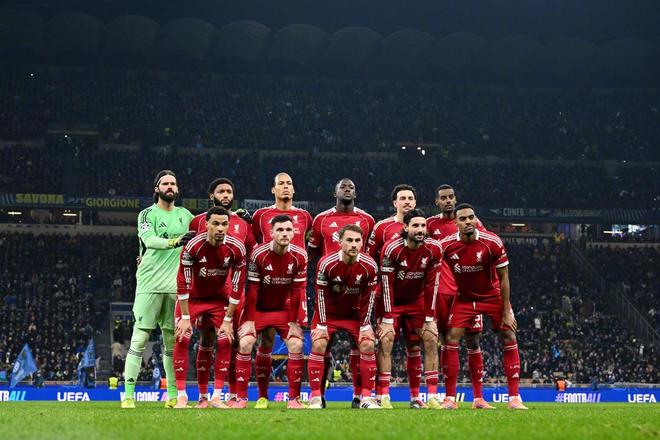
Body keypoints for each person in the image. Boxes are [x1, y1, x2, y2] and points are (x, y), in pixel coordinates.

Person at [438, 204, 527, 410]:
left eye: (471, 217)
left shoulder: (492, 242)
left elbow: (504, 278)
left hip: (492, 296)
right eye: (463, 219)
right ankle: (450, 399)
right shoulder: (446, 245)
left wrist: (507, 311)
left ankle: (514, 398)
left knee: (509, 334)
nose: (468, 221)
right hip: (464, 298)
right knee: (452, 339)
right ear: (456, 223)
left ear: (476, 219)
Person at [121, 170, 195, 409]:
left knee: (172, 344)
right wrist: (176, 241)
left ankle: (172, 396)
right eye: (165, 183)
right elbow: (149, 240)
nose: (170, 186)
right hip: (149, 285)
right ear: (157, 189)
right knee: (139, 339)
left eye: (173, 183)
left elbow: (208, 226)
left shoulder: (185, 215)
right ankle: (128, 396)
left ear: (178, 189)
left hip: (176, 287)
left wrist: (232, 216)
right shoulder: (147, 214)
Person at [308, 178, 375, 408]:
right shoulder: (321, 219)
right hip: (329, 298)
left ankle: (363, 397)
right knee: (320, 343)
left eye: (351, 187)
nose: (347, 189)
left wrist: (365, 324)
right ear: (334, 192)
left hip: (355, 301)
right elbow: (312, 253)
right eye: (343, 187)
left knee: (366, 344)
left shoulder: (367, 220)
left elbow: (370, 288)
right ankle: (317, 397)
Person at [189, 178, 256, 407]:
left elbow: (252, 255)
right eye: (221, 191)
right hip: (206, 292)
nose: (226, 195)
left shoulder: (243, 223)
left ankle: (233, 395)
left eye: (229, 191)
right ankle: (203, 396)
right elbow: (189, 254)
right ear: (212, 195)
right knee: (206, 338)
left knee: (232, 341)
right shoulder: (197, 221)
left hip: (234, 295)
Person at [172, 206, 246, 408]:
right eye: (215, 224)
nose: (220, 228)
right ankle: (182, 396)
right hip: (192, 298)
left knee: (225, 339)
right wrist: (185, 317)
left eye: (224, 224)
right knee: (182, 336)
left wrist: (228, 320)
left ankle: (216, 397)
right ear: (206, 225)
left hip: (218, 299)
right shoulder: (193, 246)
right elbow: (183, 282)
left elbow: (238, 285)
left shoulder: (236, 248)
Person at [427, 184, 493, 409]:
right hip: (443, 294)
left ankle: (478, 398)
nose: (448, 201)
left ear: (455, 199)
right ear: (437, 202)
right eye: (443, 198)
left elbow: (486, 251)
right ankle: (449, 398)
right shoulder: (430, 225)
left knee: (474, 341)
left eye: (451, 197)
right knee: (447, 342)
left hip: (468, 292)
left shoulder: (473, 223)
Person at [249, 172, 313, 409]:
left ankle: (297, 397)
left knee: (296, 340)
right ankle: (262, 396)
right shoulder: (260, 215)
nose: (285, 187)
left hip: (295, 287)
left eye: (289, 184)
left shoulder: (305, 216)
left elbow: (309, 244)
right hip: (268, 287)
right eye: (281, 184)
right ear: (273, 189)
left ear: (294, 190)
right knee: (265, 340)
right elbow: (257, 243)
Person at [234, 215, 308, 409]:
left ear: (293, 233)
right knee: (246, 342)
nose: (285, 233)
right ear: (271, 233)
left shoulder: (300, 255)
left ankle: (293, 400)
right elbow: (252, 288)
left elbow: (297, 291)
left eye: (288, 229)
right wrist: (250, 320)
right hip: (258, 308)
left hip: (283, 308)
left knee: (296, 344)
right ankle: (243, 398)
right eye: (280, 230)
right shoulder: (259, 254)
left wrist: (293, 322)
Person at [378, 209, 443, 409]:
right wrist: (387, 318)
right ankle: (383, 396)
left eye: (423, 225)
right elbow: (387, 285)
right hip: (392, 301)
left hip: (417, 301)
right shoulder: (392, 249)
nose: (420, 229)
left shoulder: (434, 248)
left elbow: (432, 284)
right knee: (386, 340)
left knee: (429, 339)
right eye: (415, 225)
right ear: (405, 228)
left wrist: (430, 317)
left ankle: (428, 396)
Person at [366, 184, 416, 409]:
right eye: (402, 198)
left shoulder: (421, 226)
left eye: (410, 198)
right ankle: (382, 394)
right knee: (385, 341)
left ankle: (416, 396)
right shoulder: (382, 227)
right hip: (386, 296)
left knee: (414, 345)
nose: (407, 202)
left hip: (414, 298)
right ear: (394, 203)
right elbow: (368, 259)